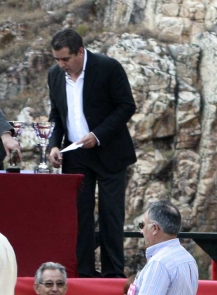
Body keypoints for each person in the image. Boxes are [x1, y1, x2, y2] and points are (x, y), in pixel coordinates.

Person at [47, 28, 137, 279]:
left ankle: (112, 274)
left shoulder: (109, 67)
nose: (61, 64)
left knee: (111, 215)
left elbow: (126, 106)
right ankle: (82, 273)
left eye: (65, 59)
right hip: (75, 155)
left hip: (110, 153)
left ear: (80, 52)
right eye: (57, 59)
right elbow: (56, 115)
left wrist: (98, 135)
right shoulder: (55, 75)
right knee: (79, 216)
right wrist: (54, 145)